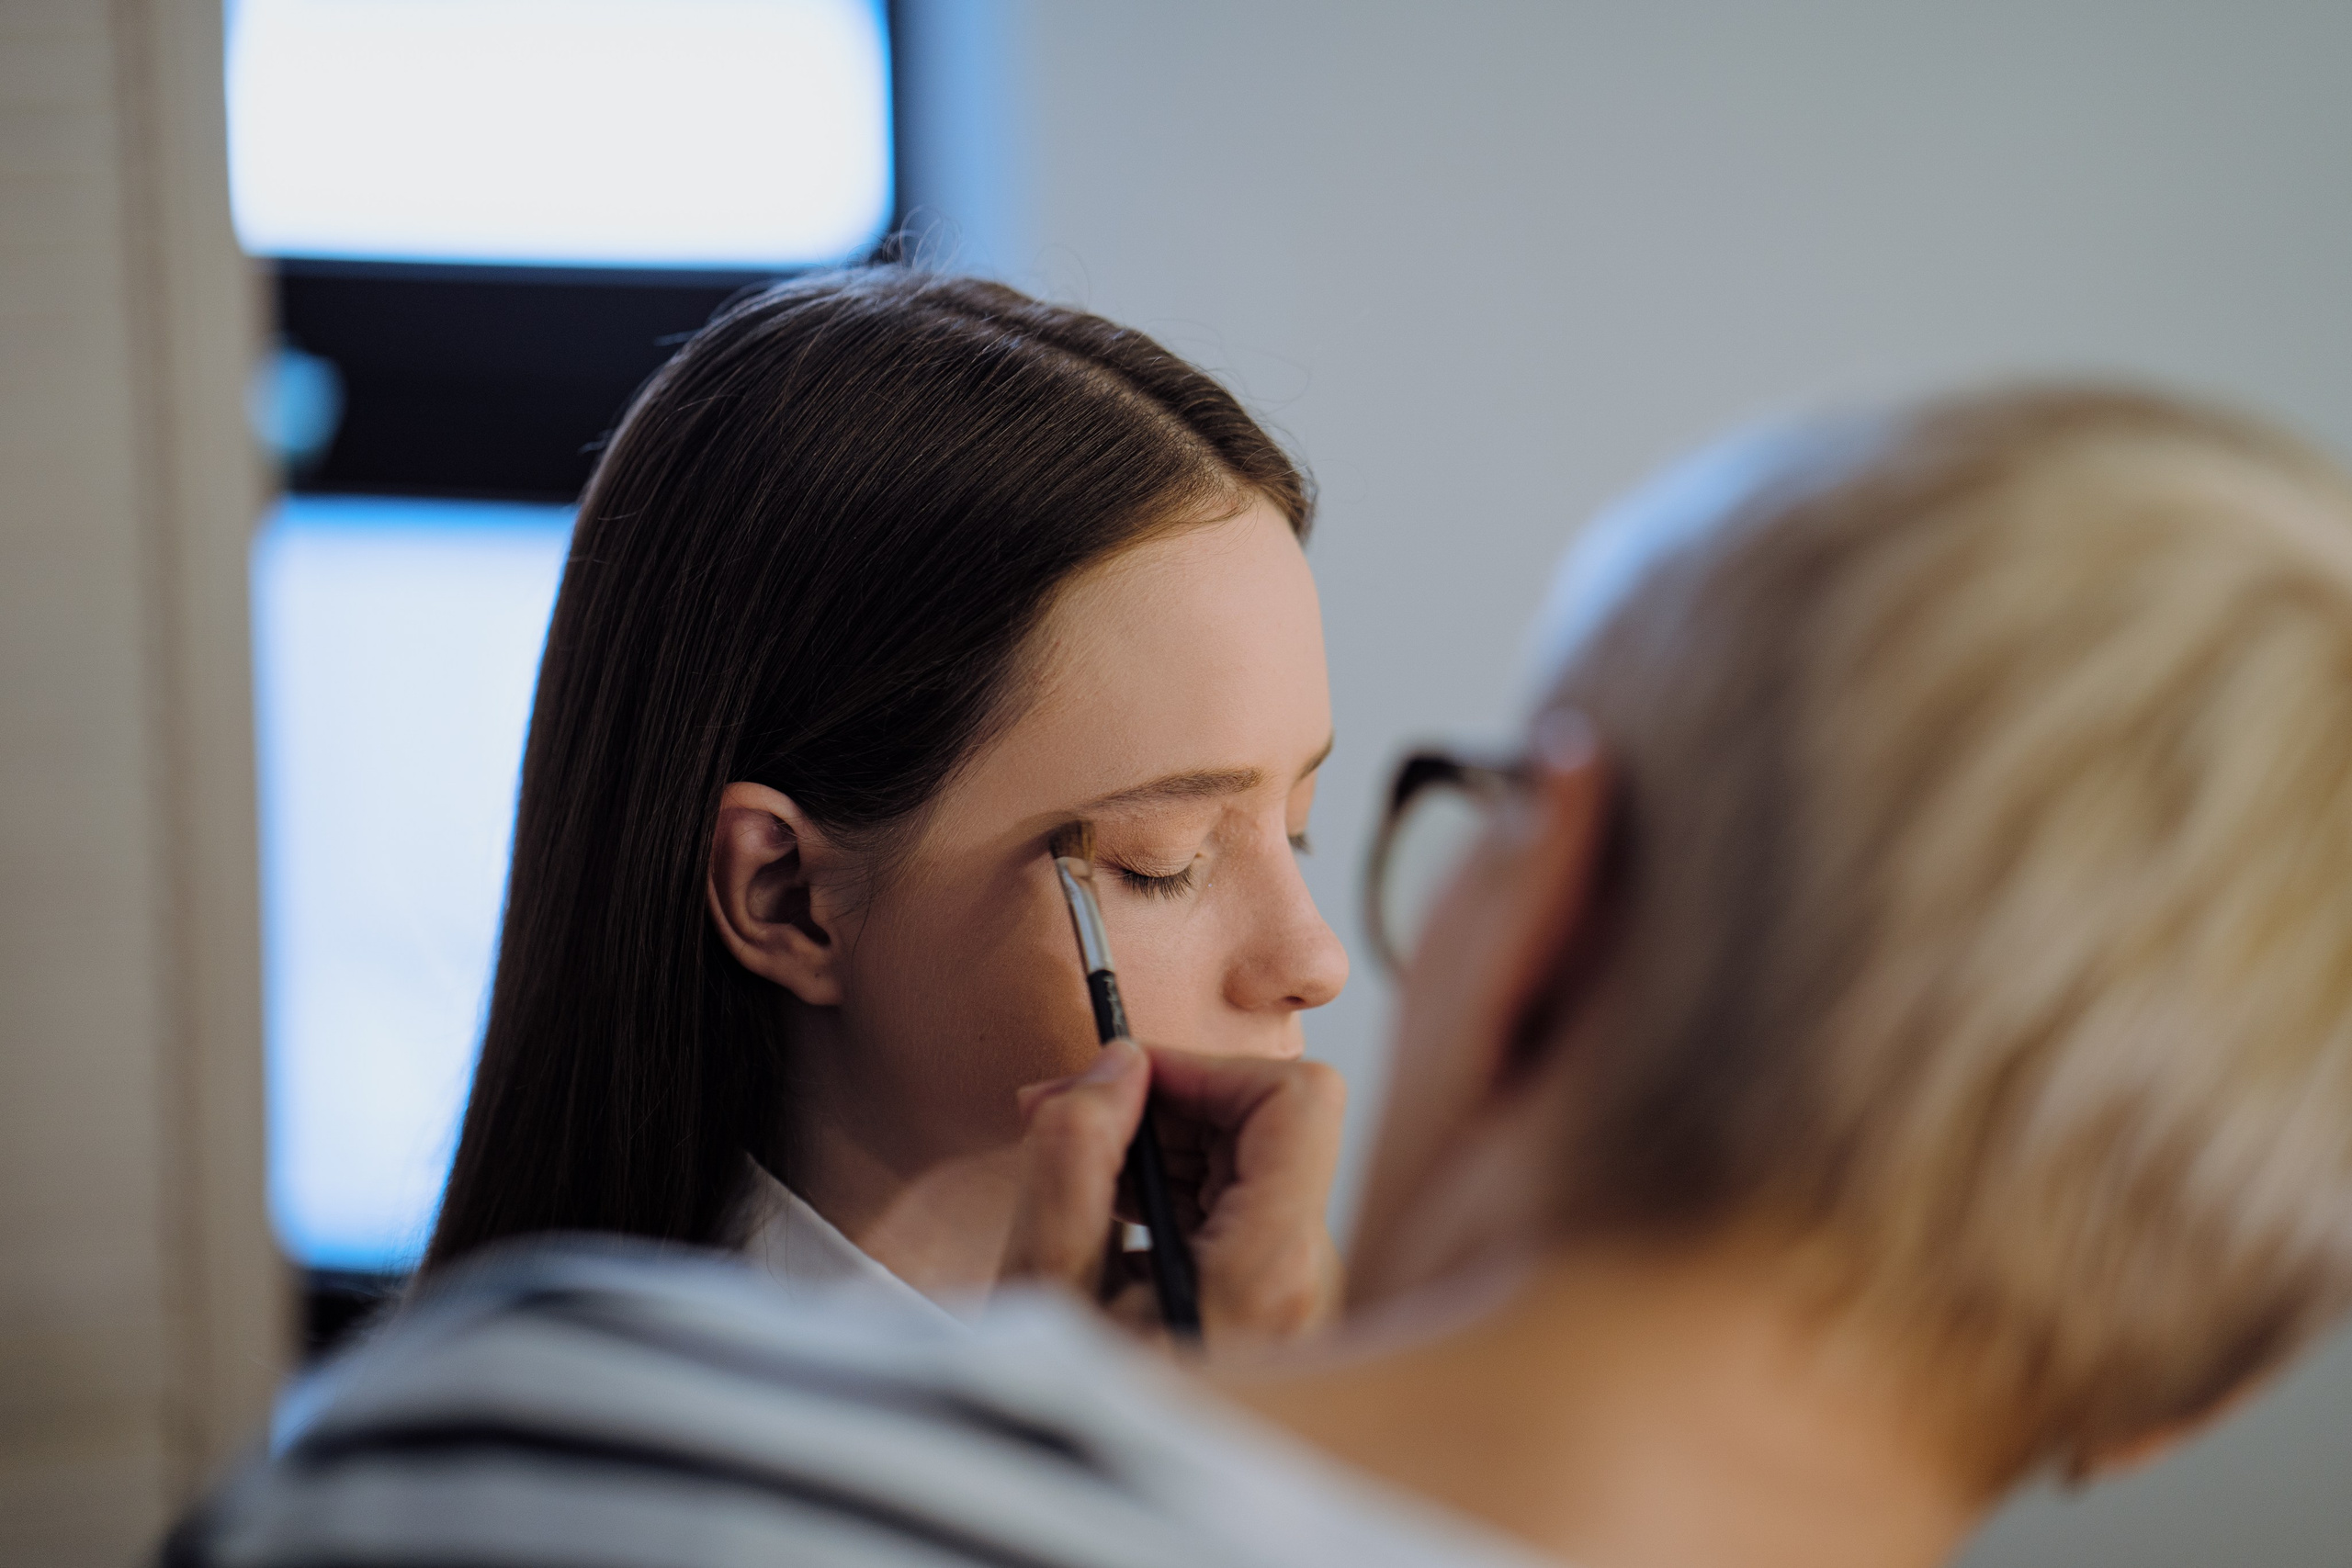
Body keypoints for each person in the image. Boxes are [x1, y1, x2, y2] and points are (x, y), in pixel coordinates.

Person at [175, 388, 2352, 1568]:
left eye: (1322, 818)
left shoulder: (522, 1452)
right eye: (1162, 849)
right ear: (2204, 1376)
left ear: (1551, 901)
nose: (1309, 949)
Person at [422, 267, 1350, 1313]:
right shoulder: (622, 1462)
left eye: (1298, 831)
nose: (1315, 961)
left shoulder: (1247, 1366)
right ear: (786, 894)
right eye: (1164, 862)